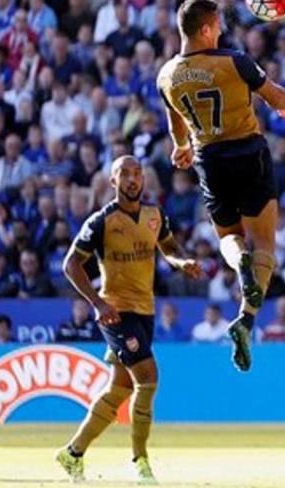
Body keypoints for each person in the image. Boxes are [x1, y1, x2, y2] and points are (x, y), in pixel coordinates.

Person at [157, 0, 285, 371]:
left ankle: (241, 269)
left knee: (227, 238)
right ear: (205, 29)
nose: (220, 29)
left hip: (209, 159)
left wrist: (180, 146)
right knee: (265, 243)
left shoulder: (166, 75)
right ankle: (246, 319)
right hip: (248, 152)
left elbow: (175, 121)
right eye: (217, 24)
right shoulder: (234, 61)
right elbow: (283, 102)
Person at [55, 156, 202, 484]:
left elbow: (169, 247)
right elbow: (71, 265)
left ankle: (72, 453)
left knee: (120, 388)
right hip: (117, 313)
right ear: (113, 182)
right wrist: (97, 303)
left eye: (137, 174)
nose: (133, 179)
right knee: (148, 379)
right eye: (125, 174)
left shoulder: (155, 215)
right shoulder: (102, 221)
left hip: (145, 311)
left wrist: (182, 262)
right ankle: (140, 461)